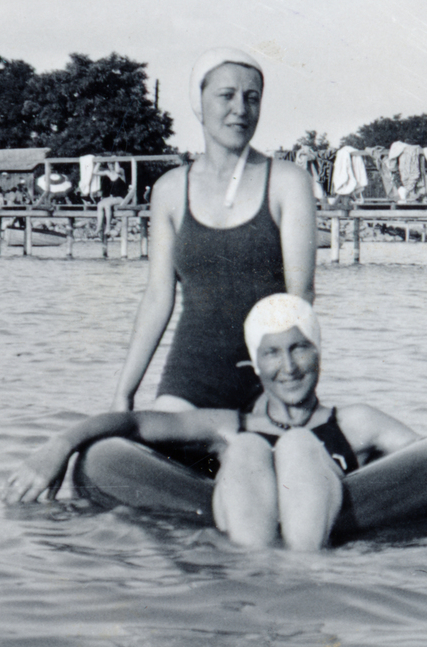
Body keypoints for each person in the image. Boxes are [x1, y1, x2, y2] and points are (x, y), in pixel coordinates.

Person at [8, 295, 427, 550]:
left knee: (298, 446)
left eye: (299, 348)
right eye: (271, 353)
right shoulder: (230, 426)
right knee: (250, 448)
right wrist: (59, 445)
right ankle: (260, 571)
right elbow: (131, 425)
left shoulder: (356, 423)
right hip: (245, 525)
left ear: (319, 353)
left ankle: (297, 569)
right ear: (255, 365)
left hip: (333, 530)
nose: (287, 367)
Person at [110, 48, 317, 412]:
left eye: (252, 98)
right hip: (190, 381)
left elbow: (300, 294)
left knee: (254, 459)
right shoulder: (170, 190)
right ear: (199, 104)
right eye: (227, 95)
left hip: (268, 378)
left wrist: (284, 389)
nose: (241, 108)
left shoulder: (288, 183)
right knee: (116, 457)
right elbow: (158, 298)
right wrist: (124, 393)